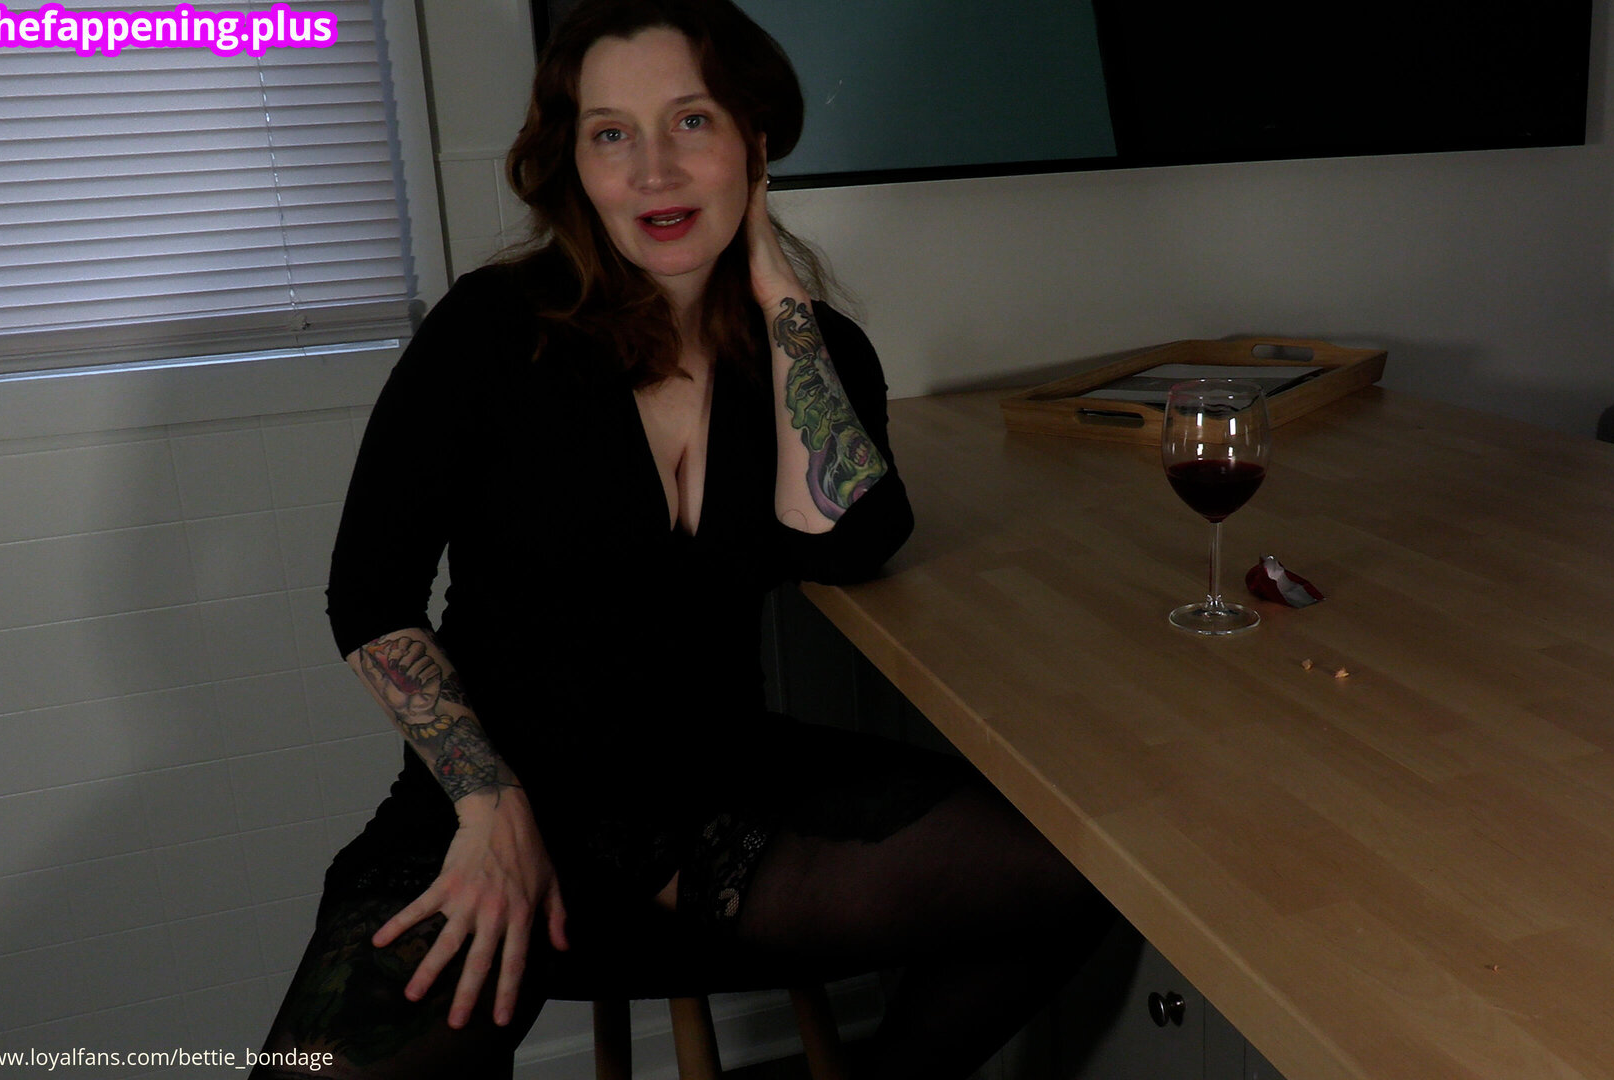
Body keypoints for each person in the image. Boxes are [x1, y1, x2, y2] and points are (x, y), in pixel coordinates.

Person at [252, 1, 1113, 1076]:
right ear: (575, 164)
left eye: (692, 121)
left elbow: (846, 544)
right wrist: (486, 797)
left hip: (714, 810)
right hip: (492, 812)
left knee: (1081, 876)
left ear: (756, 138)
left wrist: (780, 297)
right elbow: (370, 598)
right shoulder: (491, 330)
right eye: (611, 133)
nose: (654, 170)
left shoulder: (811, 353)